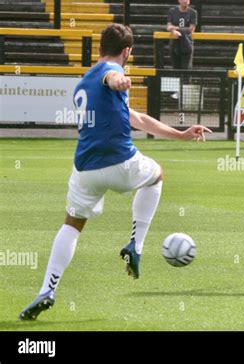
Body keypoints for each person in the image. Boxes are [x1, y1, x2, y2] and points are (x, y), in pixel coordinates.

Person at [19, 23, 212, 320]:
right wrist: (119, 81)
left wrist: (180, 134)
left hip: (85, 169)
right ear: (127, 52)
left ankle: (47, 289)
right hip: (120, 161)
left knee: (71, 225)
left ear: (98, 47)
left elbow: (139, 118)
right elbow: (111, 77)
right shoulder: (110, 72)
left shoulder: (83, 82)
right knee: (156, 175)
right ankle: (135, 244)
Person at [167, 0, 197, 71]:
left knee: (186, 68)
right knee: (175, 67)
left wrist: (176, 28)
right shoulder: (172, 11)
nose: (185, 1)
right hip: (174, 43)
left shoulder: (193, 12)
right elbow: (168, 26)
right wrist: (173, 30)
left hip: (187, 43)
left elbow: (191, 29)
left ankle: (186, 82)